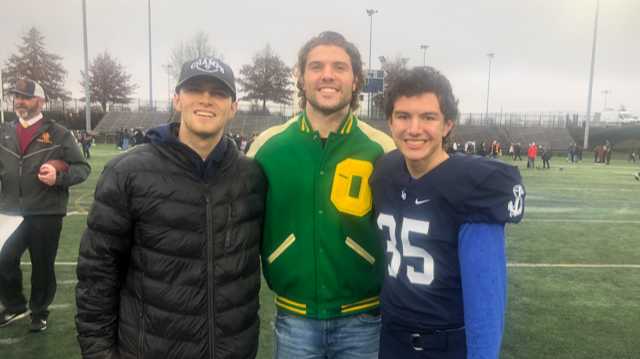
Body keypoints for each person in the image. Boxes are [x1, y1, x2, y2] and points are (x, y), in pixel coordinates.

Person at [75, 57, 266, 359]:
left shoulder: (252, 176)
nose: (205, 99)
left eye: (218, 93)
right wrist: (98, 351)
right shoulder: (127, 172)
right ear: (177, 99)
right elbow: (97, 275)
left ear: (233, 107)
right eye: (194, 89)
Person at [247, 31, 395, 359]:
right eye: (316, 66)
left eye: (339, 67)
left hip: (363, 319)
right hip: (294, 317)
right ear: (300, 78)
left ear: (356, 80)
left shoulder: (382, 149)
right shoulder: (267, 148)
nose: (327, 74)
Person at [371, 66, 525, 359]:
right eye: (403, 116)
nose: (414, 128)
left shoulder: (473, 187)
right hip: (390, 340)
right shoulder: (385, 172)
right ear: (390, 122)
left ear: (447, 125)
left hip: (443, 347)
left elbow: (486, 300)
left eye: (428, 117)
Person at [0, 79, 90, 332]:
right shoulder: (4, 132)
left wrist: (58, 177)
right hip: (9, 211)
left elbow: (82, 168)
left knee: (42, 265)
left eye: (26, 97)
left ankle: (39, 311)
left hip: (45, 212)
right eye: (16, 97)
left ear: (41, 101)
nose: (19, 101)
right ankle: (14, 305)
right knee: (3, 259)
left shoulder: (59, 133)